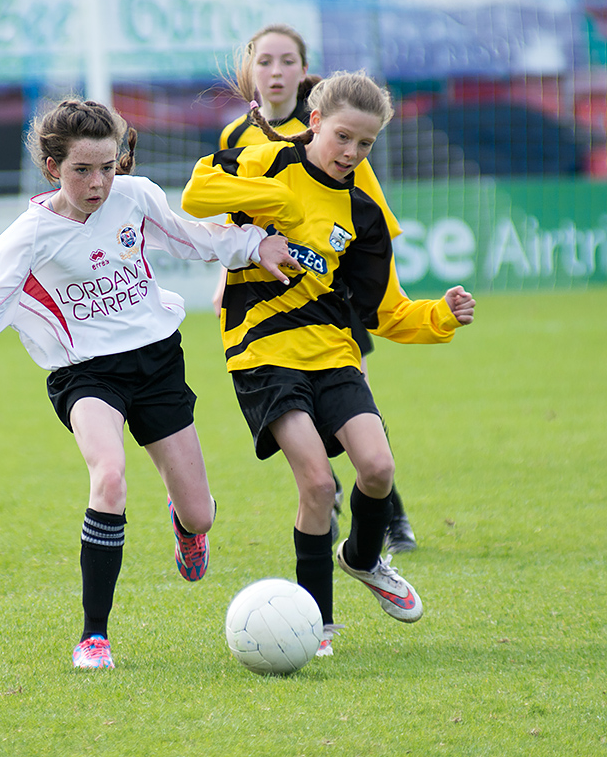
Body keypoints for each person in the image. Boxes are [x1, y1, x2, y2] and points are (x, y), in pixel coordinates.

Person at [0, 97, 294, 670]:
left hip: (156, 362)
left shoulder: (136, 195)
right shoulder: (30, 236)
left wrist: (250, 245)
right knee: (110, 476)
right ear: (52, 168)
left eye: (107, 166)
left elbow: (190, 236)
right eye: (82, 170)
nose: (98, 182)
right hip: (85, 372)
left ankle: (185, 523)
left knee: (201, 515)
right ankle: (94, 636)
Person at [182, 69, 475, 657]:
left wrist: (439, 315)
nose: (351, 152)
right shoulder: (264, 160)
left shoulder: (362, 214)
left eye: (365, 144)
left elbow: (386, 312)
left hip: (332, 352)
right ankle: (315, 623)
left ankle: (363, 559)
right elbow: (197, 195)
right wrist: (275, 200)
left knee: (378, 468)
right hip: (261, 352)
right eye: (343, 137)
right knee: (317, 482)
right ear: (315, 121)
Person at [212, 23, 417, 553]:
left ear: (304, 73)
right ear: (250, 70)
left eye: (287, 62)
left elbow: (365, 210)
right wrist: (226, 275)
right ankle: (337, 513)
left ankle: (389, 517)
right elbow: (233, 213)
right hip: (269, 302)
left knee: (355, 400)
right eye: (265, 62)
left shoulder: (333, 127)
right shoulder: (237, 138)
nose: (275, 72)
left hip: (333, 290)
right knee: (312, 448)